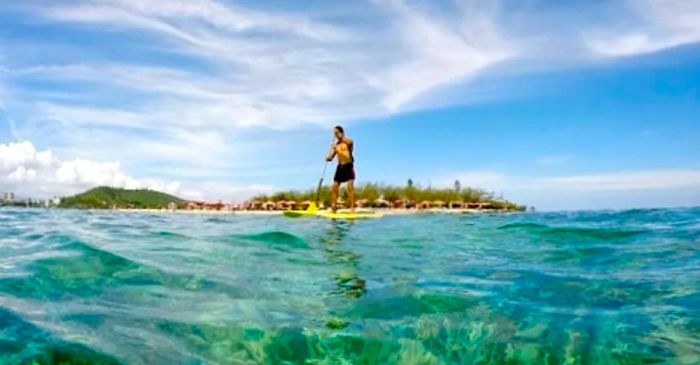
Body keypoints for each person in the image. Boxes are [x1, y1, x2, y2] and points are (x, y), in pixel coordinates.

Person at [326, 125, 355, 212]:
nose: (335, 135)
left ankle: (352, 208)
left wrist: (336, 146)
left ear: (341, 132)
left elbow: (350, 142)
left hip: (348, 165)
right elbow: (331, 158)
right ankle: (334, 206)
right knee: (334, 187)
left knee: (350, 187)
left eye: (336, 133)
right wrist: (328, 157)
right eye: (334, 133)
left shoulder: (348, 141)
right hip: (340, 167)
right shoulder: (336, 145)